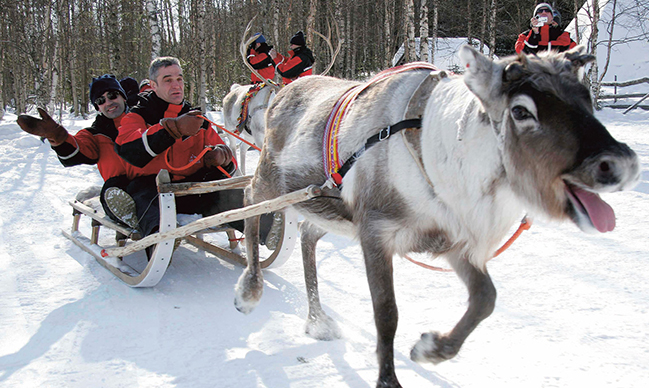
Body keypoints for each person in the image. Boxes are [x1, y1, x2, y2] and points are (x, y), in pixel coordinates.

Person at [113, 56, 275, 245]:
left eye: (179, 79)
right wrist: (172, 130)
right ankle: (160, 239)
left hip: (190, 191)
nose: (176, 85)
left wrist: (222, 157)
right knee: (146, 198)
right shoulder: (139, 115)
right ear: (153, 85)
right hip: (152, 190)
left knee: (224, 191)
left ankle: (267, 227)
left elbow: (229, 165)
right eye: (168, 80)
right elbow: (129, 149)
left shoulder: (197, 119)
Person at [16, 74, 134, 226]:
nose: (108, 102)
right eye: (101, 100)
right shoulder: (94, 134)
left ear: (123, 97)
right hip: (118, 190)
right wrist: (57, 136)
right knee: (113, 190)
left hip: (149, 185)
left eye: (112, 95)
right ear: (97, 107)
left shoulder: (143, 121)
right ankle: (131, 217)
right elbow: (78, 147)